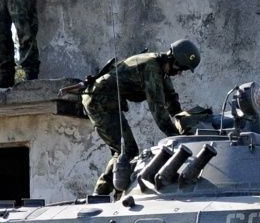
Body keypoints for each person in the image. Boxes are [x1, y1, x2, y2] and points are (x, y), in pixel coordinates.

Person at [78, 40, 202, 195]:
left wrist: (184, 124)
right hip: (98, 100)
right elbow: (158, 108)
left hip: (109, 101)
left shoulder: (161, 69)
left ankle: (113, 193)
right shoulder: (151, 68)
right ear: (173, 59)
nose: (180, 73)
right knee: (126, 150)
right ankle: (101, 194)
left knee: (124, 151)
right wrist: (176, 137)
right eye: (180, 68)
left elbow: (171, 100)